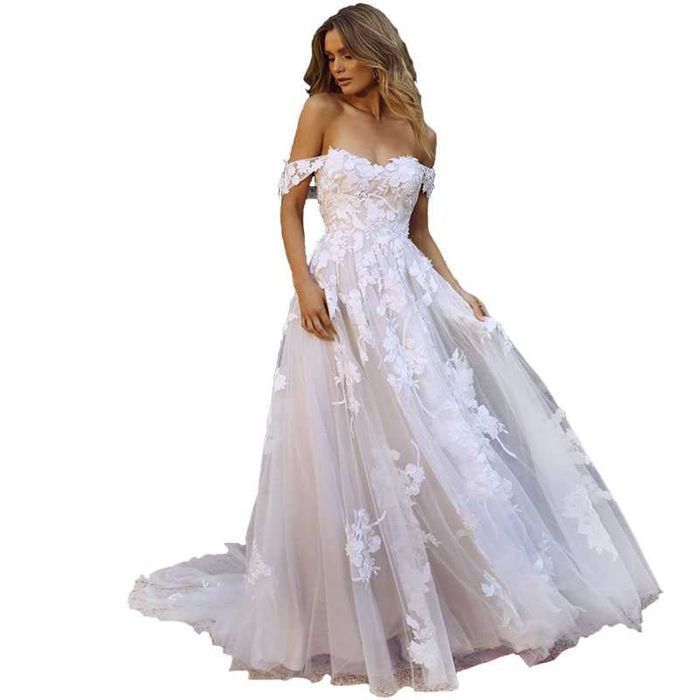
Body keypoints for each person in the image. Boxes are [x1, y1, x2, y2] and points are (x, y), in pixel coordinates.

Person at [128, 4, 662, 696]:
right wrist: (304, 283)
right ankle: (354, 609)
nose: (338, 66)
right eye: (330, 55)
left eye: (348, 53)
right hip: (339, 299)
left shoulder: (422, 133)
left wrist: (460, 292)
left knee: (431, 439)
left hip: (407, 298)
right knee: (346, 443)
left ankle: (451, 592)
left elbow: (420, 232)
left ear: (379, 52)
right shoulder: (321, 111)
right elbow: (288, 206)